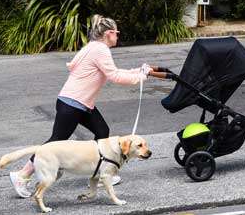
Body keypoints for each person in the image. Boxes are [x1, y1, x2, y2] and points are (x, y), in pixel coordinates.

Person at [9, 15, 161, 198]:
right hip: (72, 103)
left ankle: (104, 170)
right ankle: (21, 175)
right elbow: (114, 76)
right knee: (55, 142)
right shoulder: (100, 50)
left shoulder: (93, 47)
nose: (118, 37)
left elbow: (113, 72)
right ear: (109, 33)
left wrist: (139, 71)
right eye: (117, 34)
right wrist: (141, 77)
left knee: (102, 131)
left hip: (81, 104)